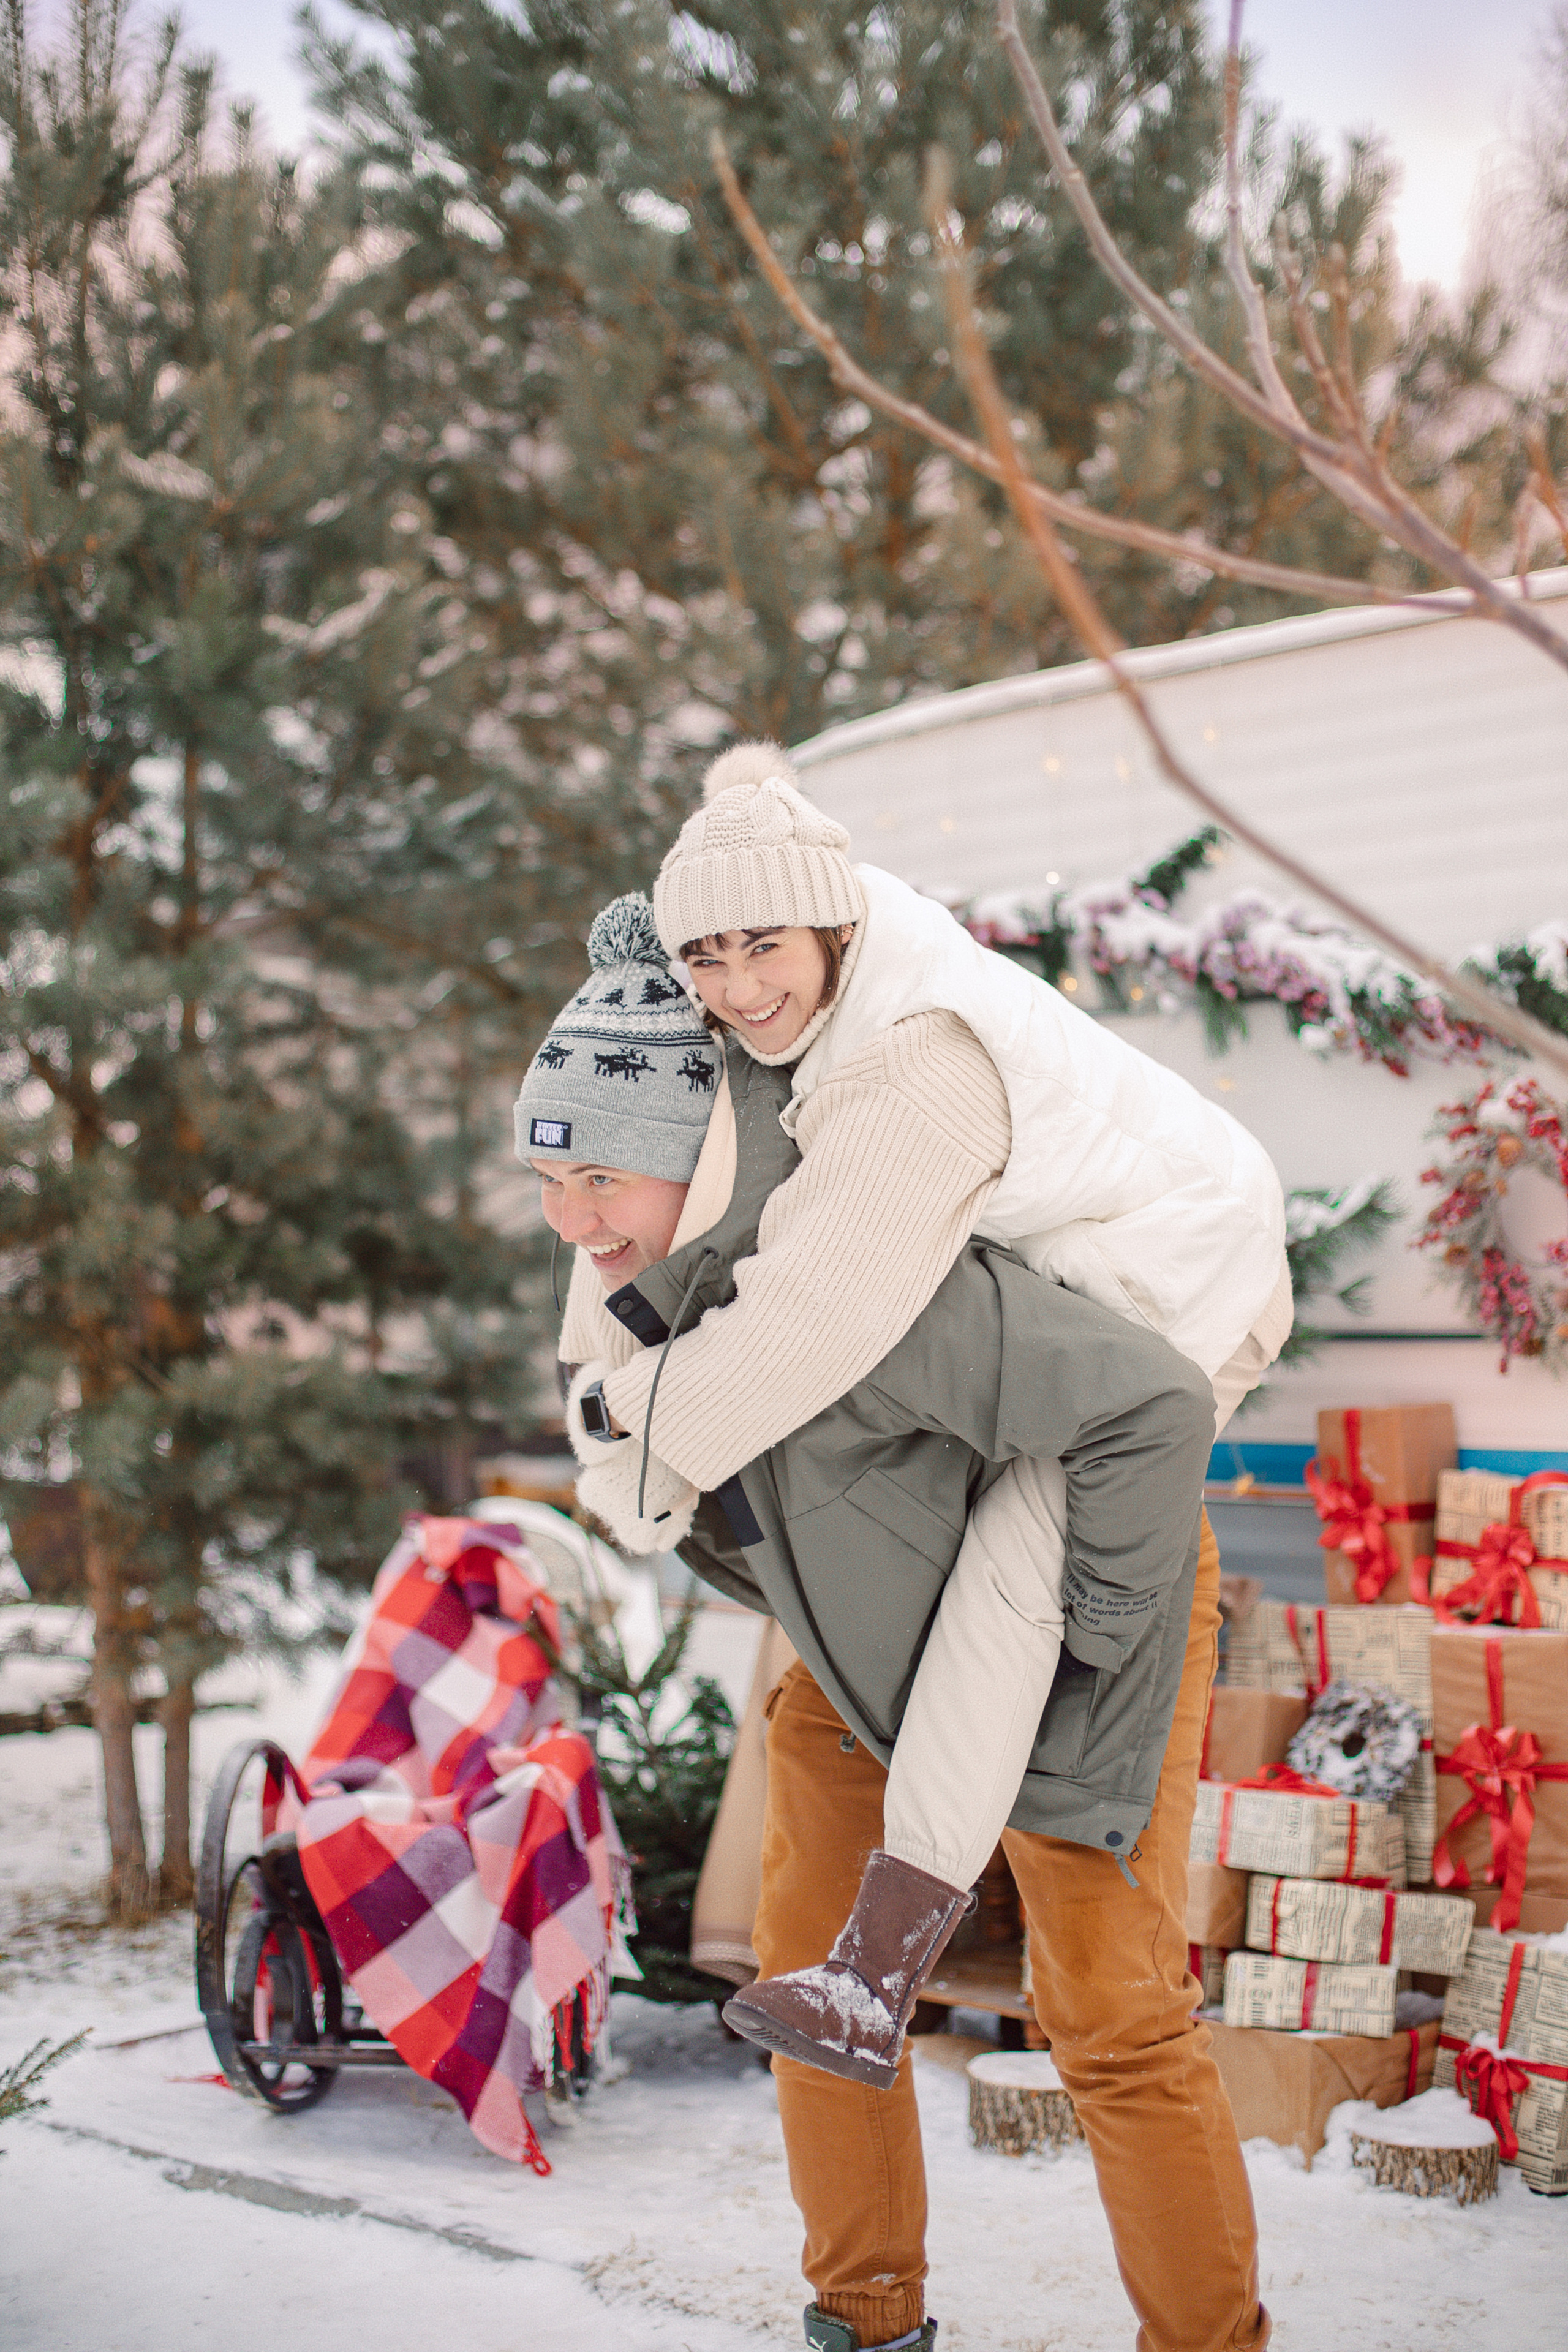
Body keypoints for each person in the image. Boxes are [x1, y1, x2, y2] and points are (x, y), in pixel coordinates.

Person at [513, 905, 1269, 2352]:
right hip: (870, 1655)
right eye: (550, 1180)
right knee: (808, 1970)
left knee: (1107, 2010)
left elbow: (1151, 1413)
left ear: (695, 1158)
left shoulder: (875, 1279)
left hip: (1081, 1611)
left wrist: (1098, 1637)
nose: (570, 1224)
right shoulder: (659, 1317)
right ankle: (863, 2319)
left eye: (599, 1178)